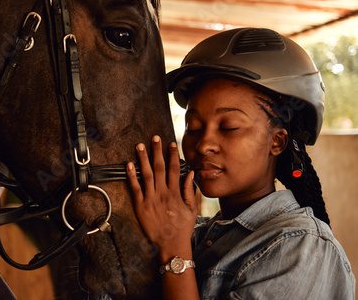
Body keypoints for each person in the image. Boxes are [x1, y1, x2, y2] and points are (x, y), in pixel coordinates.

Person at [126, 28, 356, 299]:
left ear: (277, 142)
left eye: (229, 127)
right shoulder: (193, 233)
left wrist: (175, 255)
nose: (203, 145)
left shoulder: (301, 248)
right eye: (194, 126)